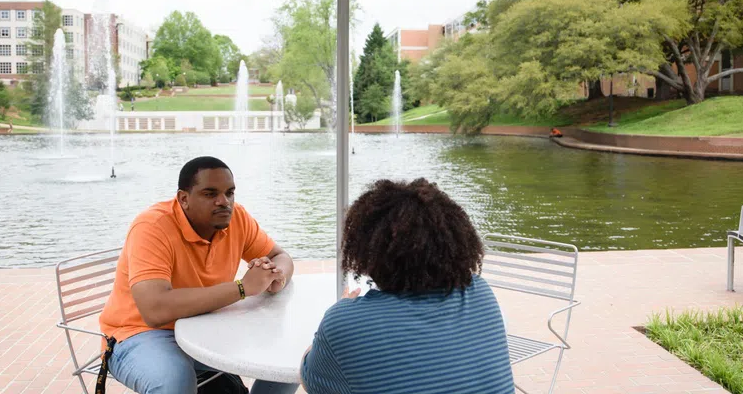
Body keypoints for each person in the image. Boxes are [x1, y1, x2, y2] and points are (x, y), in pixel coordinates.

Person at [99, 156, 299, 394]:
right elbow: (154, 311)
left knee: (292, 354)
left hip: (204, 327)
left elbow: (281, 256)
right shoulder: (152, 227)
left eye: (229, 193)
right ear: (184, 199)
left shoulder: (237, 218)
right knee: (175, 381)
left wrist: (276, 277)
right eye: (210, 194)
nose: (223, 202)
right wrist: (243, 288)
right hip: (140, 334)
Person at [301, 178, 515, 394]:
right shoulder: (480, 294)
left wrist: (342, 311)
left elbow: (308, 378)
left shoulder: (345, 322)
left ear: (366, 252)